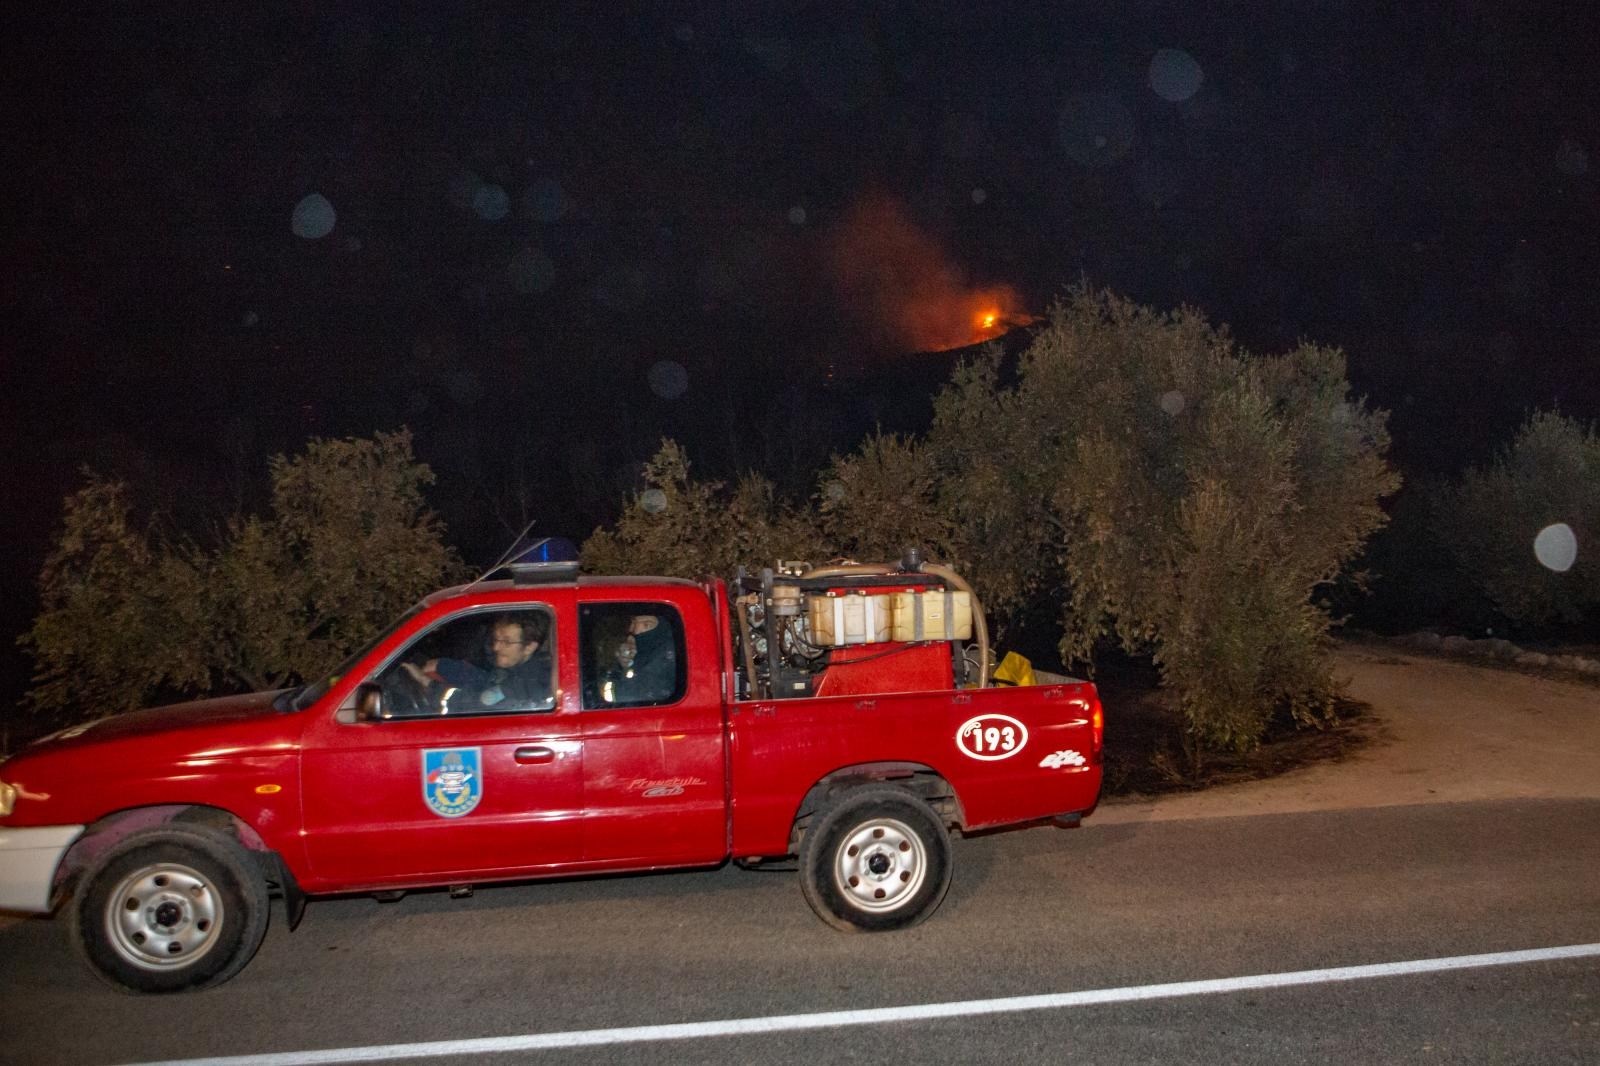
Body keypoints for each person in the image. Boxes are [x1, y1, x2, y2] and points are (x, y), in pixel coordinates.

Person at [402, 613, 552, 712]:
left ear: (529, 647)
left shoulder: (531, 681)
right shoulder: (520, 669)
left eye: (507, 641)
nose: (496, 647)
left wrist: (427, 682)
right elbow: (485, 681)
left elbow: (472, 705)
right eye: (496, 639)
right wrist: (444, 666)